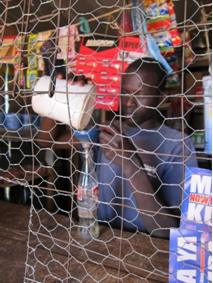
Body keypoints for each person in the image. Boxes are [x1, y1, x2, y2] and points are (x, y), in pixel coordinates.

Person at [36, 57, 198, 239]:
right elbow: (46, 140)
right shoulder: (108, 132)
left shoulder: (178, 144)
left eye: (140, 95)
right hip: (103, 240)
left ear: (161, 98)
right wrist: (60, 93)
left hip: (147, 251)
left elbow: (167, 230)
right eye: (125, 93)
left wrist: (131, 163)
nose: (129, 103)